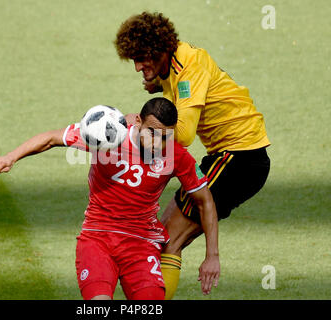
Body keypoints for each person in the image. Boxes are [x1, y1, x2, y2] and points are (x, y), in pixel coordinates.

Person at [0, 97, 220, 300]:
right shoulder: (108, 133)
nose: (157, 143)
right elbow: (52, 138)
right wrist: (10, 157)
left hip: (140, 242)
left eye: (164, 136)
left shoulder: (176, 156)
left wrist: (212, 256)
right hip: (98, 237)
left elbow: (205, 201)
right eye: (152, 133)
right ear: (137, 121)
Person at [115, 12, 271, 299]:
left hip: (239, 157)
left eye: (142, 58)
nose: (137, 67)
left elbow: (184, 134)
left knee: (167, 241)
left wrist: (137, 125)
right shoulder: (173, 68)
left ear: (158, 49)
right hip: (229, 157)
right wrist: (161, 85)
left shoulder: (189, 64)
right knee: (163, 238)